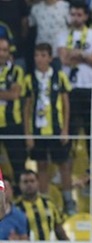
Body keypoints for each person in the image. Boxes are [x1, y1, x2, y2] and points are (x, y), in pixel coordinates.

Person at [23, 43, 74, 215]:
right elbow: (27, 108)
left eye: (43, 55)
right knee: (42, 165)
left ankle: (69, 202)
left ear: (50, 58)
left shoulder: (59, 77)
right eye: (37, 55)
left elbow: (66, 104)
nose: (39, 59)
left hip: (56, 129)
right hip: (38, 130)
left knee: (63, 165)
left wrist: (65, 129)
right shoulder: (29, 79)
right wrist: (28, 134)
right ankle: (44, 202)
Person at [57, 1, 92, 136]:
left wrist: (81, 54)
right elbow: (64, 60)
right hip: (68, 86)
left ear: (86, 17)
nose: (75, 18)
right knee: (70, 124)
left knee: (90, 124)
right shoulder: (62, 35)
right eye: (72, 15)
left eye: (79, 15)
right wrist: (87, 57)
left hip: (89, 85)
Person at [15, 169, 70, 243]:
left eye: (32, 181)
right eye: (25, 182)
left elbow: (58, 229)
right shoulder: (16, 208)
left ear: (38, 183)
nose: (29, 185)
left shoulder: (49, 204)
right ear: (20, 185)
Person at [0, 37, 26, 187]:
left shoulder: (17, 71)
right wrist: (5, 93)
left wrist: (8, 93)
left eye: (4, 50)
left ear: (9, 52)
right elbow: (9, 93)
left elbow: (14, 94)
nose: (1, 53)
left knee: (18, 165)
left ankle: (19, 194)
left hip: (12, 123)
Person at [0, 177, 28, 243]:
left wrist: (17, 239)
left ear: (11, 191)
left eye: (5, 188)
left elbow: (25, 239)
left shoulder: (19, 215)